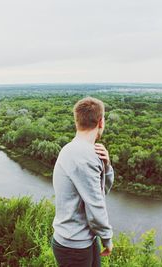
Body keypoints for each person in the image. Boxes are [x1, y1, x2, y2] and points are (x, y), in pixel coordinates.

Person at [51, 96, 114, 267]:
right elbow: (96, 204)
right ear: (101, 122)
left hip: (84, 240)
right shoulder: (83, 156)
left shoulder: (76, 150)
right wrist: (107, 238)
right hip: (73, 245)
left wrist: (106, 167)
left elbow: (101, 192)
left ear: (76, 121)